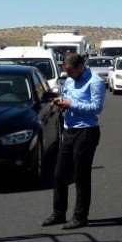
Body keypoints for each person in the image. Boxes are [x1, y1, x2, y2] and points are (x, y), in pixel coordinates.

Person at [43, 53, 106, 230]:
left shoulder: (95, 82)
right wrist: (60, 102)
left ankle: (80, 217)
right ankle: (59, 213)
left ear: (80, 67)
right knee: (59, 174)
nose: (68, 75)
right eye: (67, 72)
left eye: (71, 72)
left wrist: (72, 105)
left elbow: (97, 108)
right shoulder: (70, 81)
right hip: (69, 130)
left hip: (86, 131)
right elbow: (67, 98)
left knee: (81, 176)